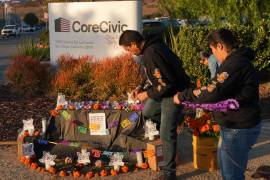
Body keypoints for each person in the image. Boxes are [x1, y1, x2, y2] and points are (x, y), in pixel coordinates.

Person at [174, 28, 261, 180]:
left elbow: (212, 92)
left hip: (238, 127)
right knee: (230, 171)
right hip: (235, 125)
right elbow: (215, 89)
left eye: (212, 49)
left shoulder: (234, 64)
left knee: (231, 175)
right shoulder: (235, 61)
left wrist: (183, 96)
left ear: (220, 46)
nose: (213, 54)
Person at [119, 30, 190, 179]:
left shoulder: (152, 53)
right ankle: (171, 123)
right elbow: (153, 76)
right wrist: (141, 87)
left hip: (173, 94)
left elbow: (167, 84)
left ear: (134, 44)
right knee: (147, 112)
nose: (129, 53)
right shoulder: (149, 50)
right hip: (162, 92)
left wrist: (146, 94)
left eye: (128, 49)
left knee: (166, 133)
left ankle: (169, 173)